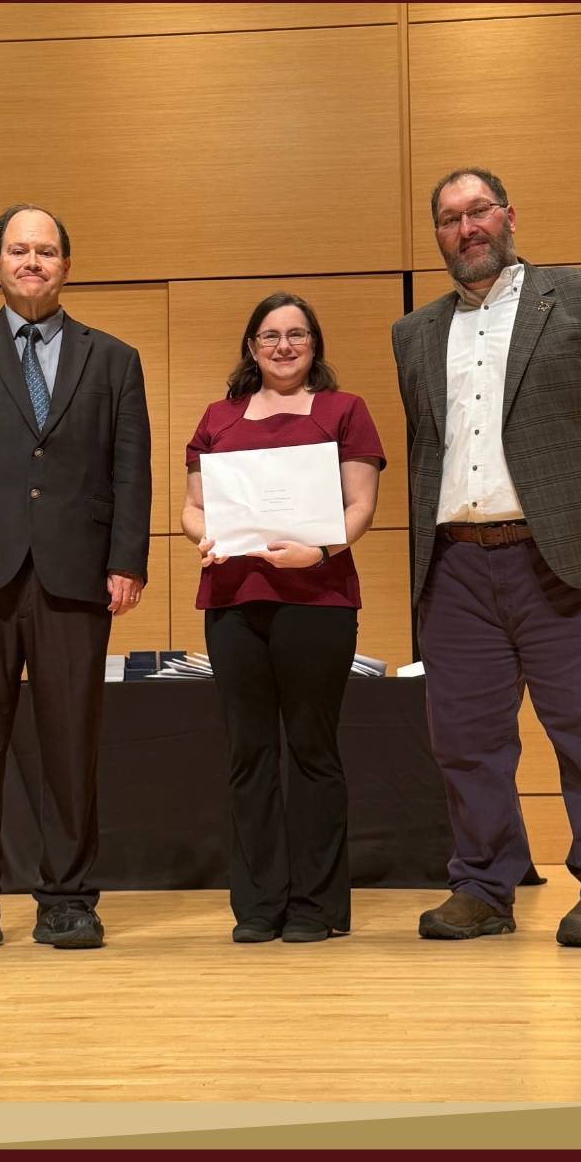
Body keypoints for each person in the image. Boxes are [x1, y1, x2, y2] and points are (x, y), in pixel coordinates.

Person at [392, 167, 581, 947]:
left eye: (478, 210)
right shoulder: (414, 334)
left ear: (510, 214)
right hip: (456, 569)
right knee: (466, 740)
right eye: (448, 219)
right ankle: (484, 885)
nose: (466, 228)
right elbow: (426, 449)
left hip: (571, 562)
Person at [0, 203, 151, 955]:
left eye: (46, 251)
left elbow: (130, 470)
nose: (32, 262)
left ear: (66, 266)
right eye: (19, 251)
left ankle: (69, 897)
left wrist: (126, 559)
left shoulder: (113, 359)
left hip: (76, 576)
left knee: (69, 743)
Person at [182, 294, 385, 944]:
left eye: (297, 334)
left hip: (318, 601)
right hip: (234, 601)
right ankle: (260, 904)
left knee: (311, 751)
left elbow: (360, 505)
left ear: (314, 345)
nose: (283, 345)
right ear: (251, 346)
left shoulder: (344, 410)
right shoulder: (217, 418)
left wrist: (317, 550)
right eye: (269, 335)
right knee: (249, 754)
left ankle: (317, 906)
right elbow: (192, 509)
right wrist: (204, 537)